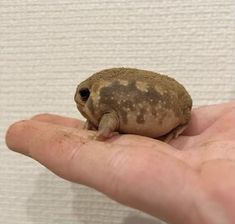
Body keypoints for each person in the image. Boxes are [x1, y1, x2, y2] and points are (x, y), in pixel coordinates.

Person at [5, 101, 235, 224]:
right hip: (176, 113)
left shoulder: (104, 102)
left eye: (83, 97)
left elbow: (106, 128)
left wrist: (100, 134)